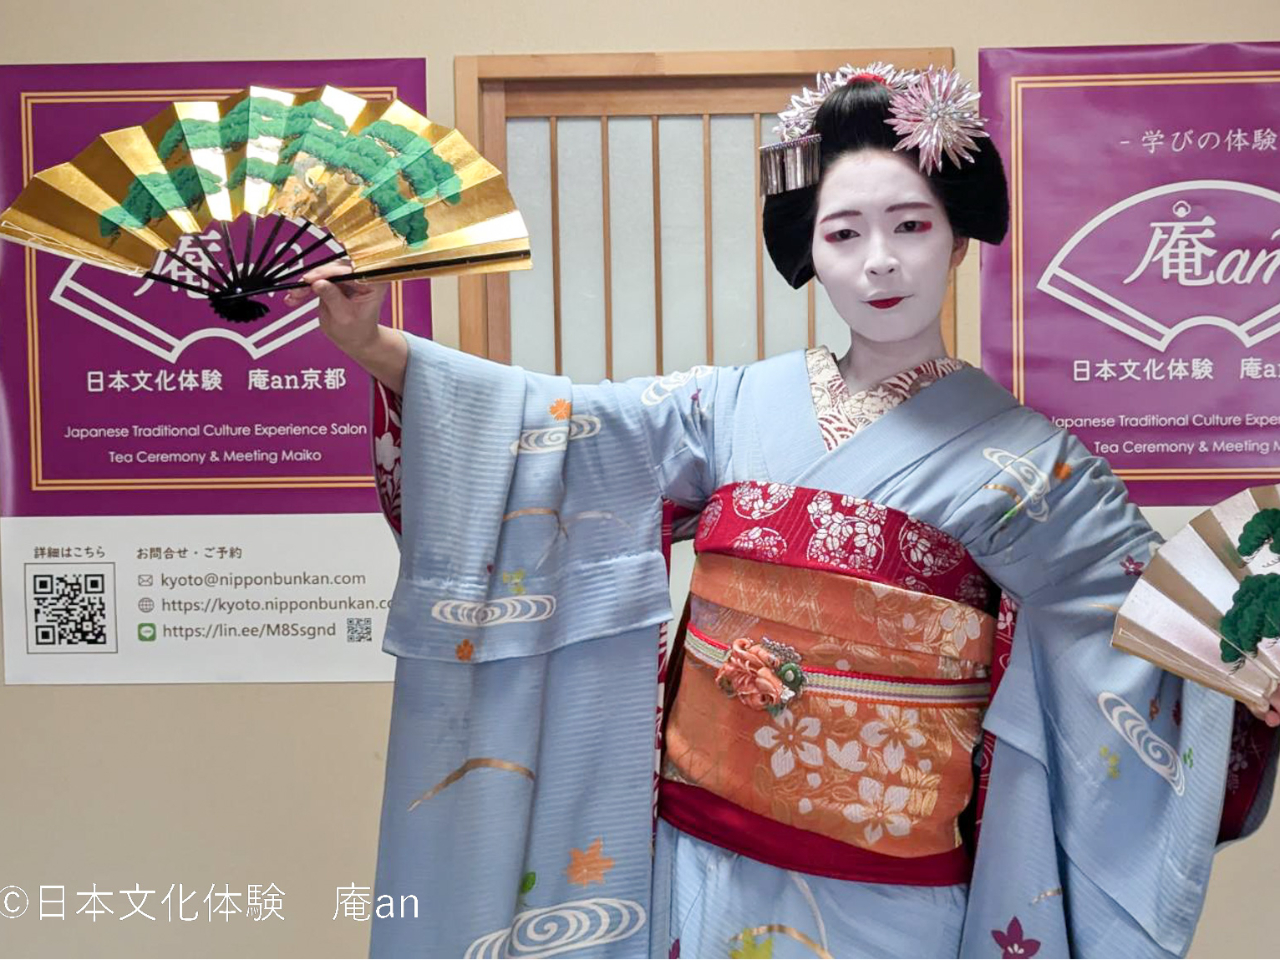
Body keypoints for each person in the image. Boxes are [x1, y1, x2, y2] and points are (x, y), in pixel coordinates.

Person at [289, 64, 1280, 959]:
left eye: (910, 226)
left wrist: (1250, 647)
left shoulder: (1032, 462)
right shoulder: (730, 405)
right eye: (843, 234)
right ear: (809, 249)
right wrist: (379, 350)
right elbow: (562, 431)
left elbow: (1150, 617)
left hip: (887, 886)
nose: (878, 262)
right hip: (698, 847)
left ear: (957, 237)